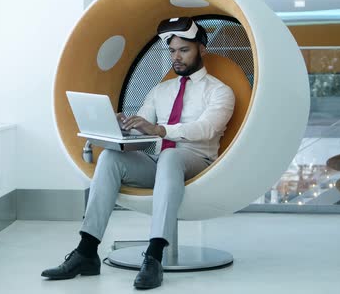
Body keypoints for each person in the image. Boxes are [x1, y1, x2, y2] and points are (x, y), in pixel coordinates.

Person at [41, 17, 235, 289]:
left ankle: (154, 256)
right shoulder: (160, 90)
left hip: (196, 160)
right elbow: (143, 129)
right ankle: (86, 250)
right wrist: (125, 125)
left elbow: (206, 128)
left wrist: (159, 129)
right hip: (160, 161)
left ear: (202, 49)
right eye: (172, 51)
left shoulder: (220, 91)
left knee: (171, 156)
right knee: (110, 158)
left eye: (184, 50)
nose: (176, 57)